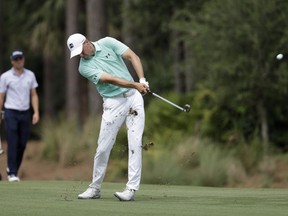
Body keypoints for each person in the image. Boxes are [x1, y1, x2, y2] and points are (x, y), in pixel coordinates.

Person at [67, 33, 149, 201]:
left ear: (87, 42)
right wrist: (135, 84)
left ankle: (131, 189)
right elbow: (109, 79)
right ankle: (95, 188)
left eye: (81, 51)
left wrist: (142, 79)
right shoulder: (83, 68)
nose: (81, 56)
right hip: (113, 104)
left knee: (135, 143)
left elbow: (132, 56)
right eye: (78, 55)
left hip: (134, 98)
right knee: (103, 147)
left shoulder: (108, 42)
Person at [0, 50, 40, 182]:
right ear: (12, 61)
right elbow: (1, 96)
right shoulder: (5, 77)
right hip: (10, 112)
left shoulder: (30, 75)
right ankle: (12, 172)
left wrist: (36, 112)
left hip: (25, 113)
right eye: (16, 59)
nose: (19, 61)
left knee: (22, 143)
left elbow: (33, 94)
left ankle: (13, 169)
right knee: (13, 141)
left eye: (21, 58)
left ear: (23, 59)